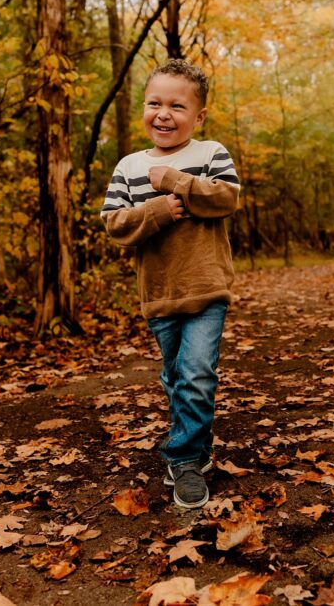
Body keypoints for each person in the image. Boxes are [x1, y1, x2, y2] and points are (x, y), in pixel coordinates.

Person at [101, 58, 239, 509]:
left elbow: (226, 199)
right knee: (177, 377)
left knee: (197, 374)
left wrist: (177, 182)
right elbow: (115, 225)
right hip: (159, 294)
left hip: (206, 288)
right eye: (154, 103)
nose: (164, 114)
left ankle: (182, 459)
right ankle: (197, 445)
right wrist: (157, 211)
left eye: (177, 106)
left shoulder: (211, 153)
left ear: (198, 116)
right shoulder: (128, 167)